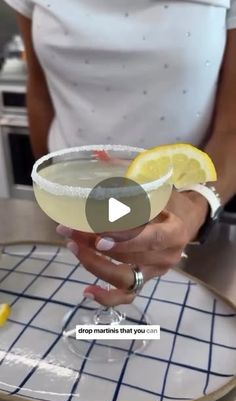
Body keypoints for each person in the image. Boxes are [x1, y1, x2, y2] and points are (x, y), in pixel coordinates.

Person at [4, 0, 236, 305]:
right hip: (70, 210)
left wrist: (197, 208)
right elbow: (39, 89)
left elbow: (232, 125)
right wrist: (53, 185)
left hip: (177, 219)